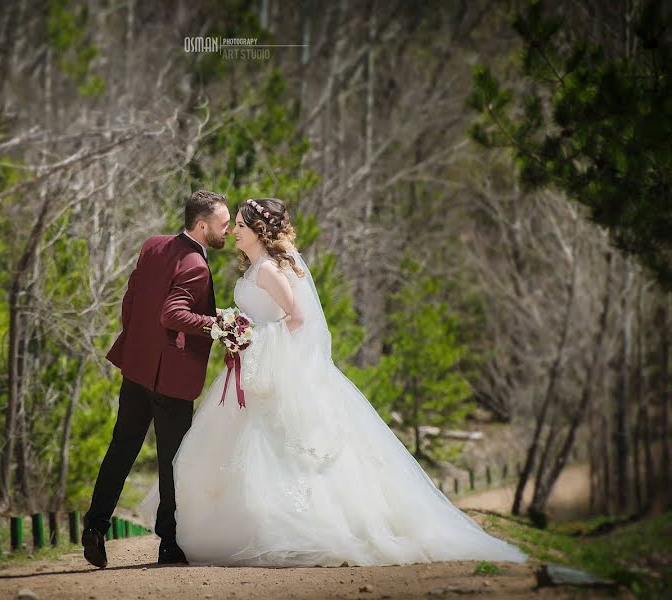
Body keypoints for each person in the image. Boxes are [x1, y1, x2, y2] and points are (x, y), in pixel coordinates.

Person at [140, 197, 527, 567]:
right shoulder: (254, 269)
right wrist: (238, 330)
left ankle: (288, 531)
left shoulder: (272, 271)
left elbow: (296, 319)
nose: (235, 232)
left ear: (259, 230)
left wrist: (253, 337)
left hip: (272, 368)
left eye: (240, 225)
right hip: (249, 370)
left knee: (280, 449)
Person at [82, 190, 230, 568]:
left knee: (122, 447)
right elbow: (172, 313)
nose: (227, 230)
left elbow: (130, 301)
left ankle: (94, 526)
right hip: (170, 381)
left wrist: (138, 342)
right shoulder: (196, 264)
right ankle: (169, 544)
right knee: (172, 461)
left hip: (137, 367)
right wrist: (215, 325)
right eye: (223, 224)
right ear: (202, 225)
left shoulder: (153, 246)